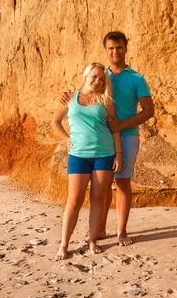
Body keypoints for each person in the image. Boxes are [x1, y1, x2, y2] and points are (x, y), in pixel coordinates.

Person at [61, 32, 154, 246]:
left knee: (122, 182)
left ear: (125, 48)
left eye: (119, 47)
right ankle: (100, 229)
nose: (115, 52)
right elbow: (83, 92)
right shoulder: (101, 75)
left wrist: (122, 125)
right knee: (102, 187)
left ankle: (121, 231)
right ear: (106, 50)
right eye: (111, 48)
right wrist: (66, 95)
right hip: (101, 139)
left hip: (127, 135)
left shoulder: (136, 78)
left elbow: (149, 111)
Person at [51, 62, 122, 260]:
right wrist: (67, 140)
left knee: (98, 199)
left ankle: (92, 240)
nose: (97, 81)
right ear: (85, 75)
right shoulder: (69, 98)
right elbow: (55, 122)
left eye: (101, 79)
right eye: (94, 76)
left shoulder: (106, 101)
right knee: (74, 201)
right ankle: (64, 244)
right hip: (78, 155)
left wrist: (119, 154)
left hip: (104, 154)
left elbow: (114, 128)